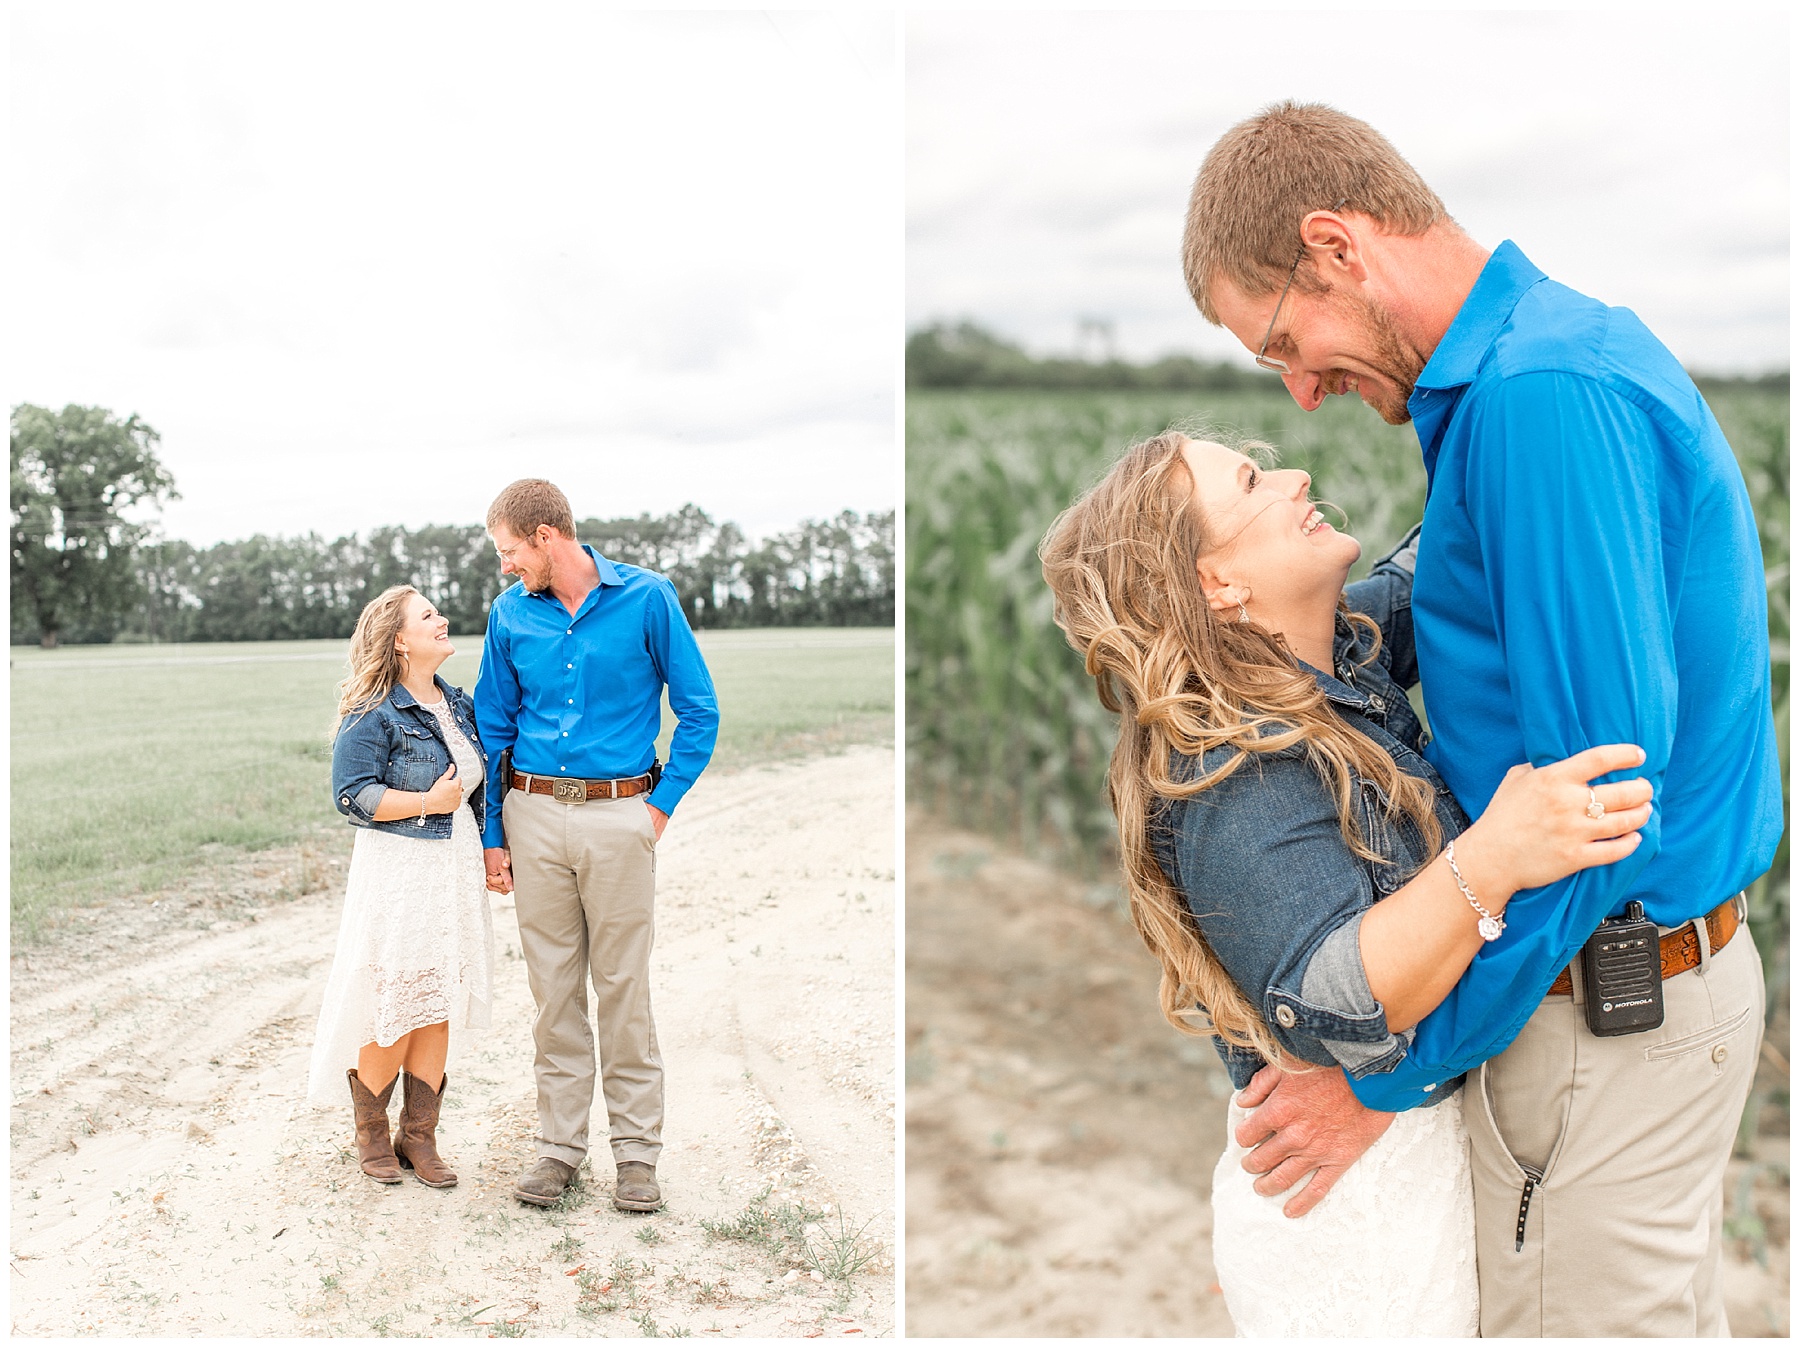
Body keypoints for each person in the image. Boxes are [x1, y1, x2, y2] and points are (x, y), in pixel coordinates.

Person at [1179, 101, 1780, 1336]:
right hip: (1620, 1001)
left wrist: (1396, 1072)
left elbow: (1593, 805)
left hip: (1601, 1012)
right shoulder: (1524, 372)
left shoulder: (1538, 398)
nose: (1298, 395)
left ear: (1338, 247)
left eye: (1285, 339)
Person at [1041, 429, 1651, 1335]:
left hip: (1418, 1161)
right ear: (1217, 584)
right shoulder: (1228, 765)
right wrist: (1496, 853)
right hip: (1359, 1216)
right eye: (1253, 481)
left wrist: (1500, 417)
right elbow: (1333, 998)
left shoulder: (1335, 651)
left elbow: (1437, 558)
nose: (1296, 476)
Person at [474, 478, 719, 1213]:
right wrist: (495, 834)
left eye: (510, 550)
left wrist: (659, 809)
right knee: (553, 993)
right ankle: (558, 1150)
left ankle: (638, 1157)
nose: (506, 566)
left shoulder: (648, 599)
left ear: (547, 536)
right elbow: (495, 726)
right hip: (533, 814)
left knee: (623, 989)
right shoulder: (508, 614)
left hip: (621, 816)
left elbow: (699, 710)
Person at [310, 585, 497, 1189]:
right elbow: (351, 795)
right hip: (400, 872)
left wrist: (496, 848)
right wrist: (428, 800)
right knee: (395, 999)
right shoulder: (373, 712)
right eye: (428, 615)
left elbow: (477, 787)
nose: (442, 619)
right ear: (398, 639)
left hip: (454, 868)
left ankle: (419, 1136)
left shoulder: (458, 704)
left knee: (438, 997)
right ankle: (371, 1134)